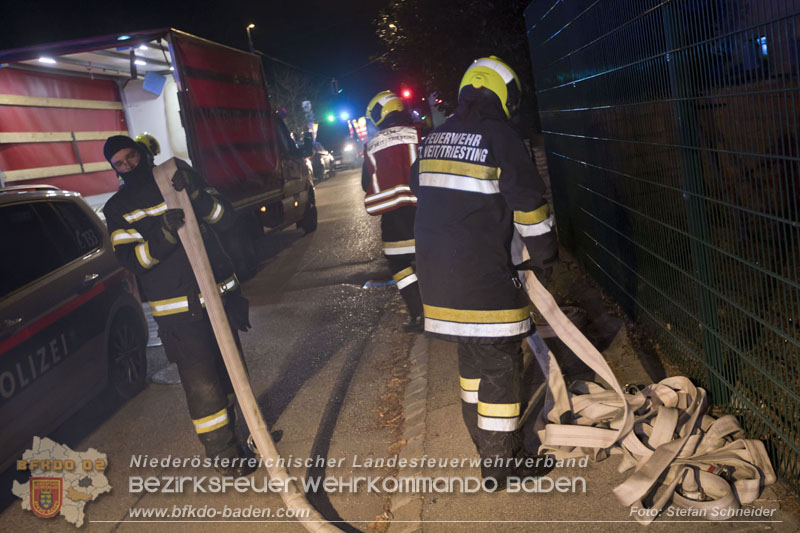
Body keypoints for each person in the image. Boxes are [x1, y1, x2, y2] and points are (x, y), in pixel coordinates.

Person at [410, 57, 558, 488]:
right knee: (500, 365)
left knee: (472, 363)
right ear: (504, 95)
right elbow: (529, 207)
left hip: (437, 284)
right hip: (484, 280)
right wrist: (545, 256)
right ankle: (501, 466)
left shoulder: (434, 139)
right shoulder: (500, 137)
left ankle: (483, 443)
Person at [102, 135, 254, 477]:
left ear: (142, 153)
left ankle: (243, 439)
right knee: (204, 387)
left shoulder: (177, 175)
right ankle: (223, 457)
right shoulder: (117, 208)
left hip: (218, 297)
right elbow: (133, 259)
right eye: (120, 164)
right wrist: (164, 235)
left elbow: (224, 218)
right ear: (114, 169)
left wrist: (196, 196)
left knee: (232, 377)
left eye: (131, 158)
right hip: (180, 315)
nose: (128, 166)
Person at [363, 90, 424, 332]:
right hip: (428, 214)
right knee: (434, 258)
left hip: (394, 222)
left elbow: (365, 183)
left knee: (399, 265)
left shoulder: (372, 145)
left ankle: (419, 315)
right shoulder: (420, 134)